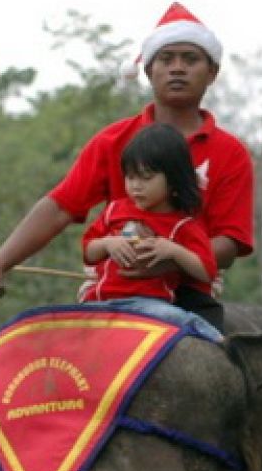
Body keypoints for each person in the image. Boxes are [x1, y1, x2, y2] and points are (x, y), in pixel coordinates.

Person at [0, 2, 253, 331]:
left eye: (190, 59)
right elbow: (60, 207)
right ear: (148, 70)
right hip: (111, 290)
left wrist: (169, 259)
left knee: (213, 369)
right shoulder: (112, 141)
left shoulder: (231, 153)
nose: (177, 68)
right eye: (166, 59)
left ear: (211, 73)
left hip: (189, 293)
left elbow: (229, 244)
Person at [77, 122, 221, 339]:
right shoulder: (114, 209)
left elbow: (206, 271)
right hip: (99, 301)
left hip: (148, 307)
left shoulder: (184, 225)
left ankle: (221, 344)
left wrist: (174, 251)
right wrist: (108, 244)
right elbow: (88, 251)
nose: (136, 186)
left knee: (182, 319)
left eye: (146, 177)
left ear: (173, 179)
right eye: (130, 177)